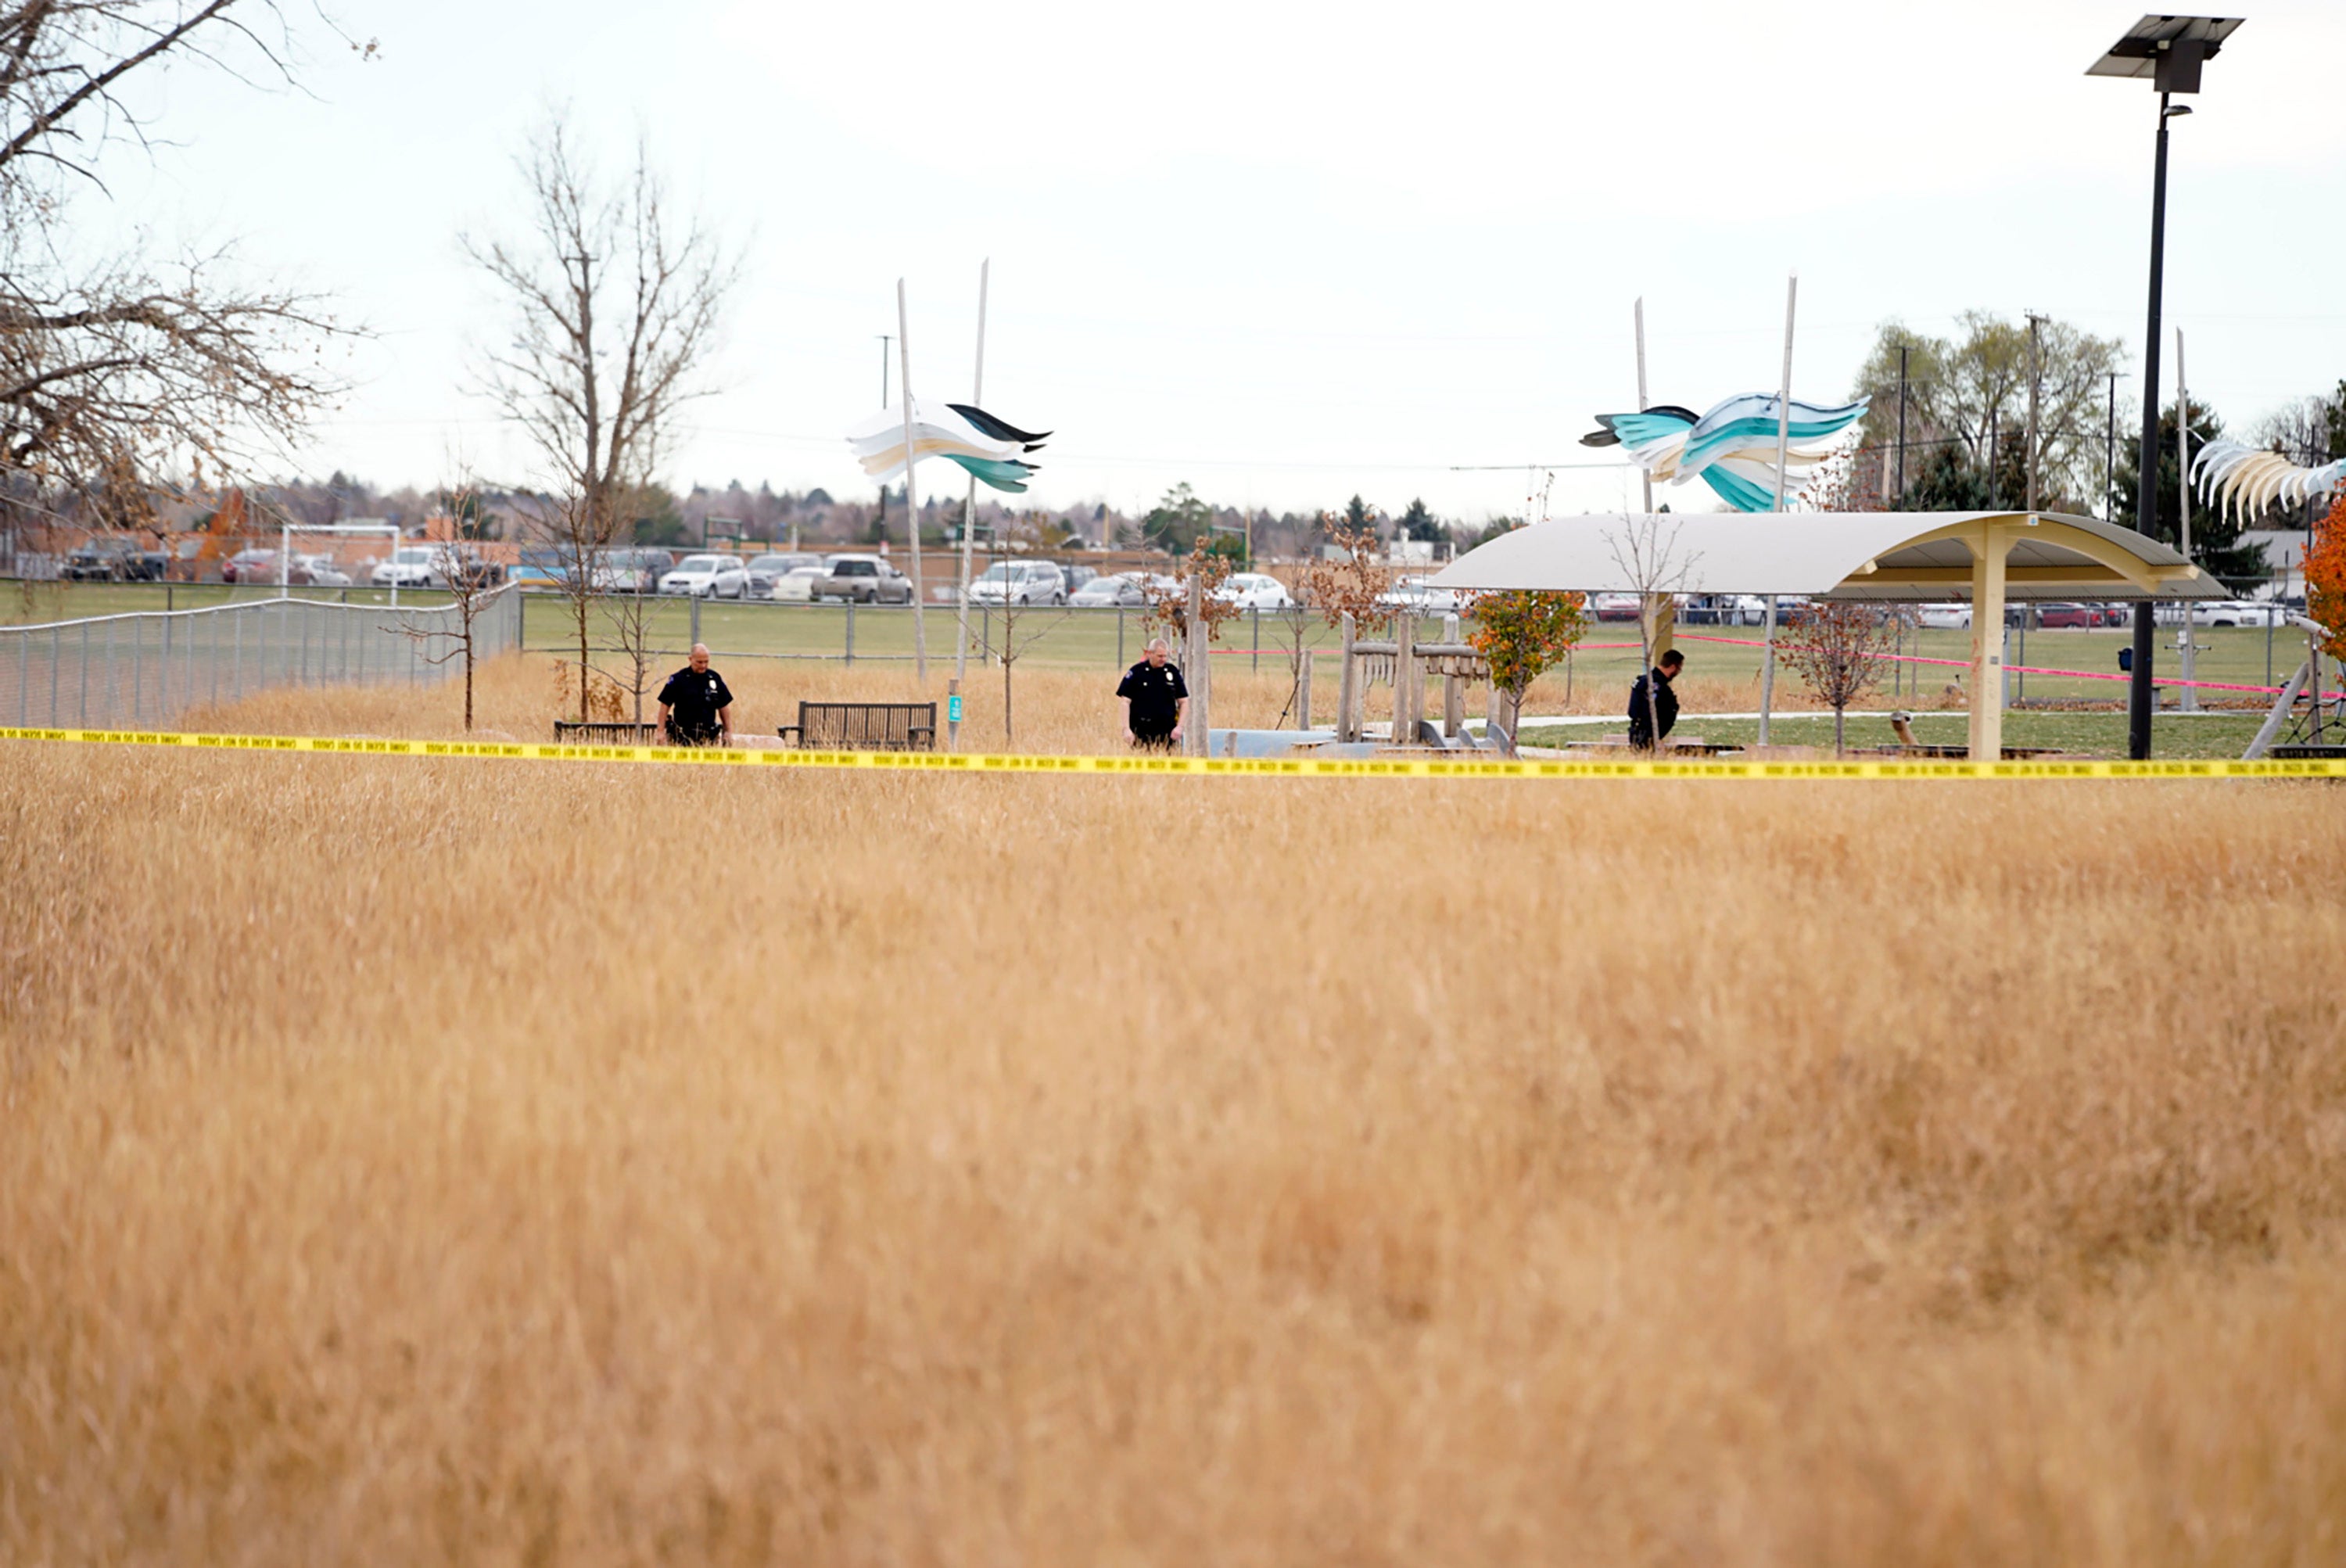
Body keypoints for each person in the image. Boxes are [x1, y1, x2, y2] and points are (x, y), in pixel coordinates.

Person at [1117, 637, 1188, 750]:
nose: (1163, 659)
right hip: (1141, 730)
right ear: (1150, 654)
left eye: (1165, 656)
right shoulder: (1137, 672)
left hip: (1167, 731)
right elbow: (1125, 702)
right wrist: (1126, 729)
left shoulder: (1172, 672)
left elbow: (1184, 701)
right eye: (1160, 656)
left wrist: (1180, 727)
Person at [656, 643, 734, 747]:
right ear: (690, 659)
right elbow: (664, 705)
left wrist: (728, 731)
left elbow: (724, 706)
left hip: (708, 737)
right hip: (682, 736)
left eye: (706, 662)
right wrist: (660, 732)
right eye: (699, 662)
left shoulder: (714, 678)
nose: (703, 665)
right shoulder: (678, 679)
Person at [1627, 648, 1683, 751]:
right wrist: (1654, 737)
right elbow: (1649, 712)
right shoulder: (1656, 686)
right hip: (1647, 737)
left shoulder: (1642, 681)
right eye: (1679, 669)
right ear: (1673, 667)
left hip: (1636, 733)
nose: (1679, 672)